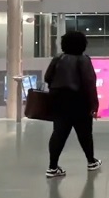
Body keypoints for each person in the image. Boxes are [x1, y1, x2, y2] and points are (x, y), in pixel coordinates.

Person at [43, 30, 101, 178]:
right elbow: (89, 83)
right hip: (79, 101)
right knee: (85, 133)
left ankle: (52, 167)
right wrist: (94, 105)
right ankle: (91, 161)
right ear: (83, 44)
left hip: (59, 101)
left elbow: (47, 77)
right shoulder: (84, 60)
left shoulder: (57, 59)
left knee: (59, 133)